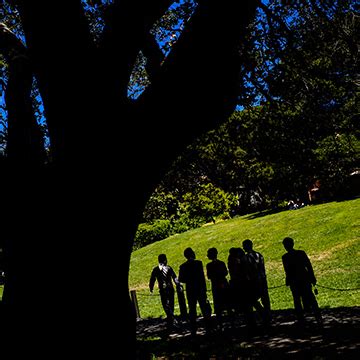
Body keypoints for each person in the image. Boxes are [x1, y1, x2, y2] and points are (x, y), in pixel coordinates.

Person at [282, 237, 322, 326]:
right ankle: (317, 315)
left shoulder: (285, 257)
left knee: (297, 300)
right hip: (304, 279)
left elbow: (287, 271)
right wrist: (312, 277)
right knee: (311, 297)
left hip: (294, 281)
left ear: (285, 246)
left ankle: (301, 318)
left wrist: (287, 280)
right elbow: (308, 265)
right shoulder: (301, 253)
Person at [178, 247, 212, 336]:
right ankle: (209, 328)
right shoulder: (198, 263)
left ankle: (193, 330)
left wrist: (188, 280)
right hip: (200, 289)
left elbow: (181, 279)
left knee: (192, 310)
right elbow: (202, 278)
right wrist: (204, 289)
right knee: (204, 308)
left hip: (190, 290)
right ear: (192, 254)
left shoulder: (183, 266)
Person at [242, 239, 272, 325]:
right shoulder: (259, 255)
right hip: (262, 279)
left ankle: (263, 313)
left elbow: (247, 271)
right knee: (265, 299)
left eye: (244, 246)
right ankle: (268, 314)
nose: (243, 248)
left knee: (252, 299)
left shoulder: (246, 258)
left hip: (253, 281)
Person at [149, 254, 180, 329]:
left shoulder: (156, 269)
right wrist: (178, 284)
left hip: (163, 289)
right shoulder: (169, 268)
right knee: (171, 304)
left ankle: (171, 319)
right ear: (165, 260)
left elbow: (152, 279)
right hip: (170, 288)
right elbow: (174, 277)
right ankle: (171, 319)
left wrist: (151, 287)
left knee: (165, 305)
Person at [206, 247, 229, 328]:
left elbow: (209, 276)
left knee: (218, 305)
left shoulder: (209, 265)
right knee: (227, 303)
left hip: (216, 286)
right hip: (223, 284)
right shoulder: (221, 263)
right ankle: (230, 321)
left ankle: (220, 323)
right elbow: (225, 273)